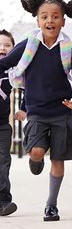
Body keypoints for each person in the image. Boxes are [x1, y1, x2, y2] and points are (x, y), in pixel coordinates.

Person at [0, 0, 72, 222]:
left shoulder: (67, 47)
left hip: (60, 111)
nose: (50, 20)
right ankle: (35, 159)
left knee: (58, 159)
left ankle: (51, 205)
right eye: (45, 17)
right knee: (38, 151)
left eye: (55, 17)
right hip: (37, 111)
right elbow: (6, 62)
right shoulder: (30, 43)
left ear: (63, 22)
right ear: (38, 20)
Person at [0, 30, 26, 216]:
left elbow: (29, 87)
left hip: (2, 125)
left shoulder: (15, 71)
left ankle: (3, 202)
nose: (2, 48)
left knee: (3, 161)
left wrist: (24, 108)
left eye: (7, 45)